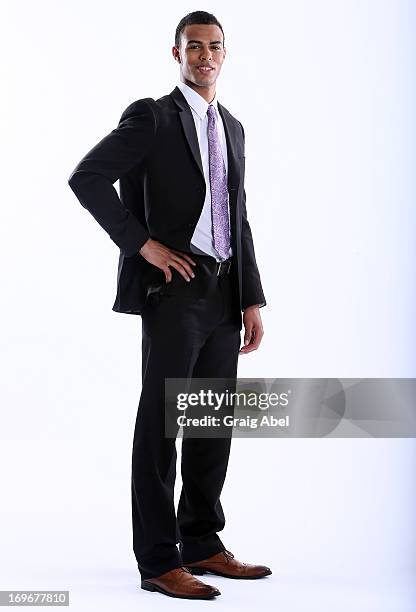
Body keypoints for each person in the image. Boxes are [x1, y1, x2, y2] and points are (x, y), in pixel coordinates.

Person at [68, 10, 270, 601]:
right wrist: (144, 245)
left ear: (225, 54)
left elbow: (239, 218)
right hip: (175, 290)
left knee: (211, 422)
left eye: (214, 47)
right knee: (161, 425)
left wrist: (252, 296)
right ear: (176, 53)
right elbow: (87, 178)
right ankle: (159, 561)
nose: (204, 56)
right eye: (194, 47)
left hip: (224, 291)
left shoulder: (232, 127)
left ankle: (202, 542)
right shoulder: (153, 116)